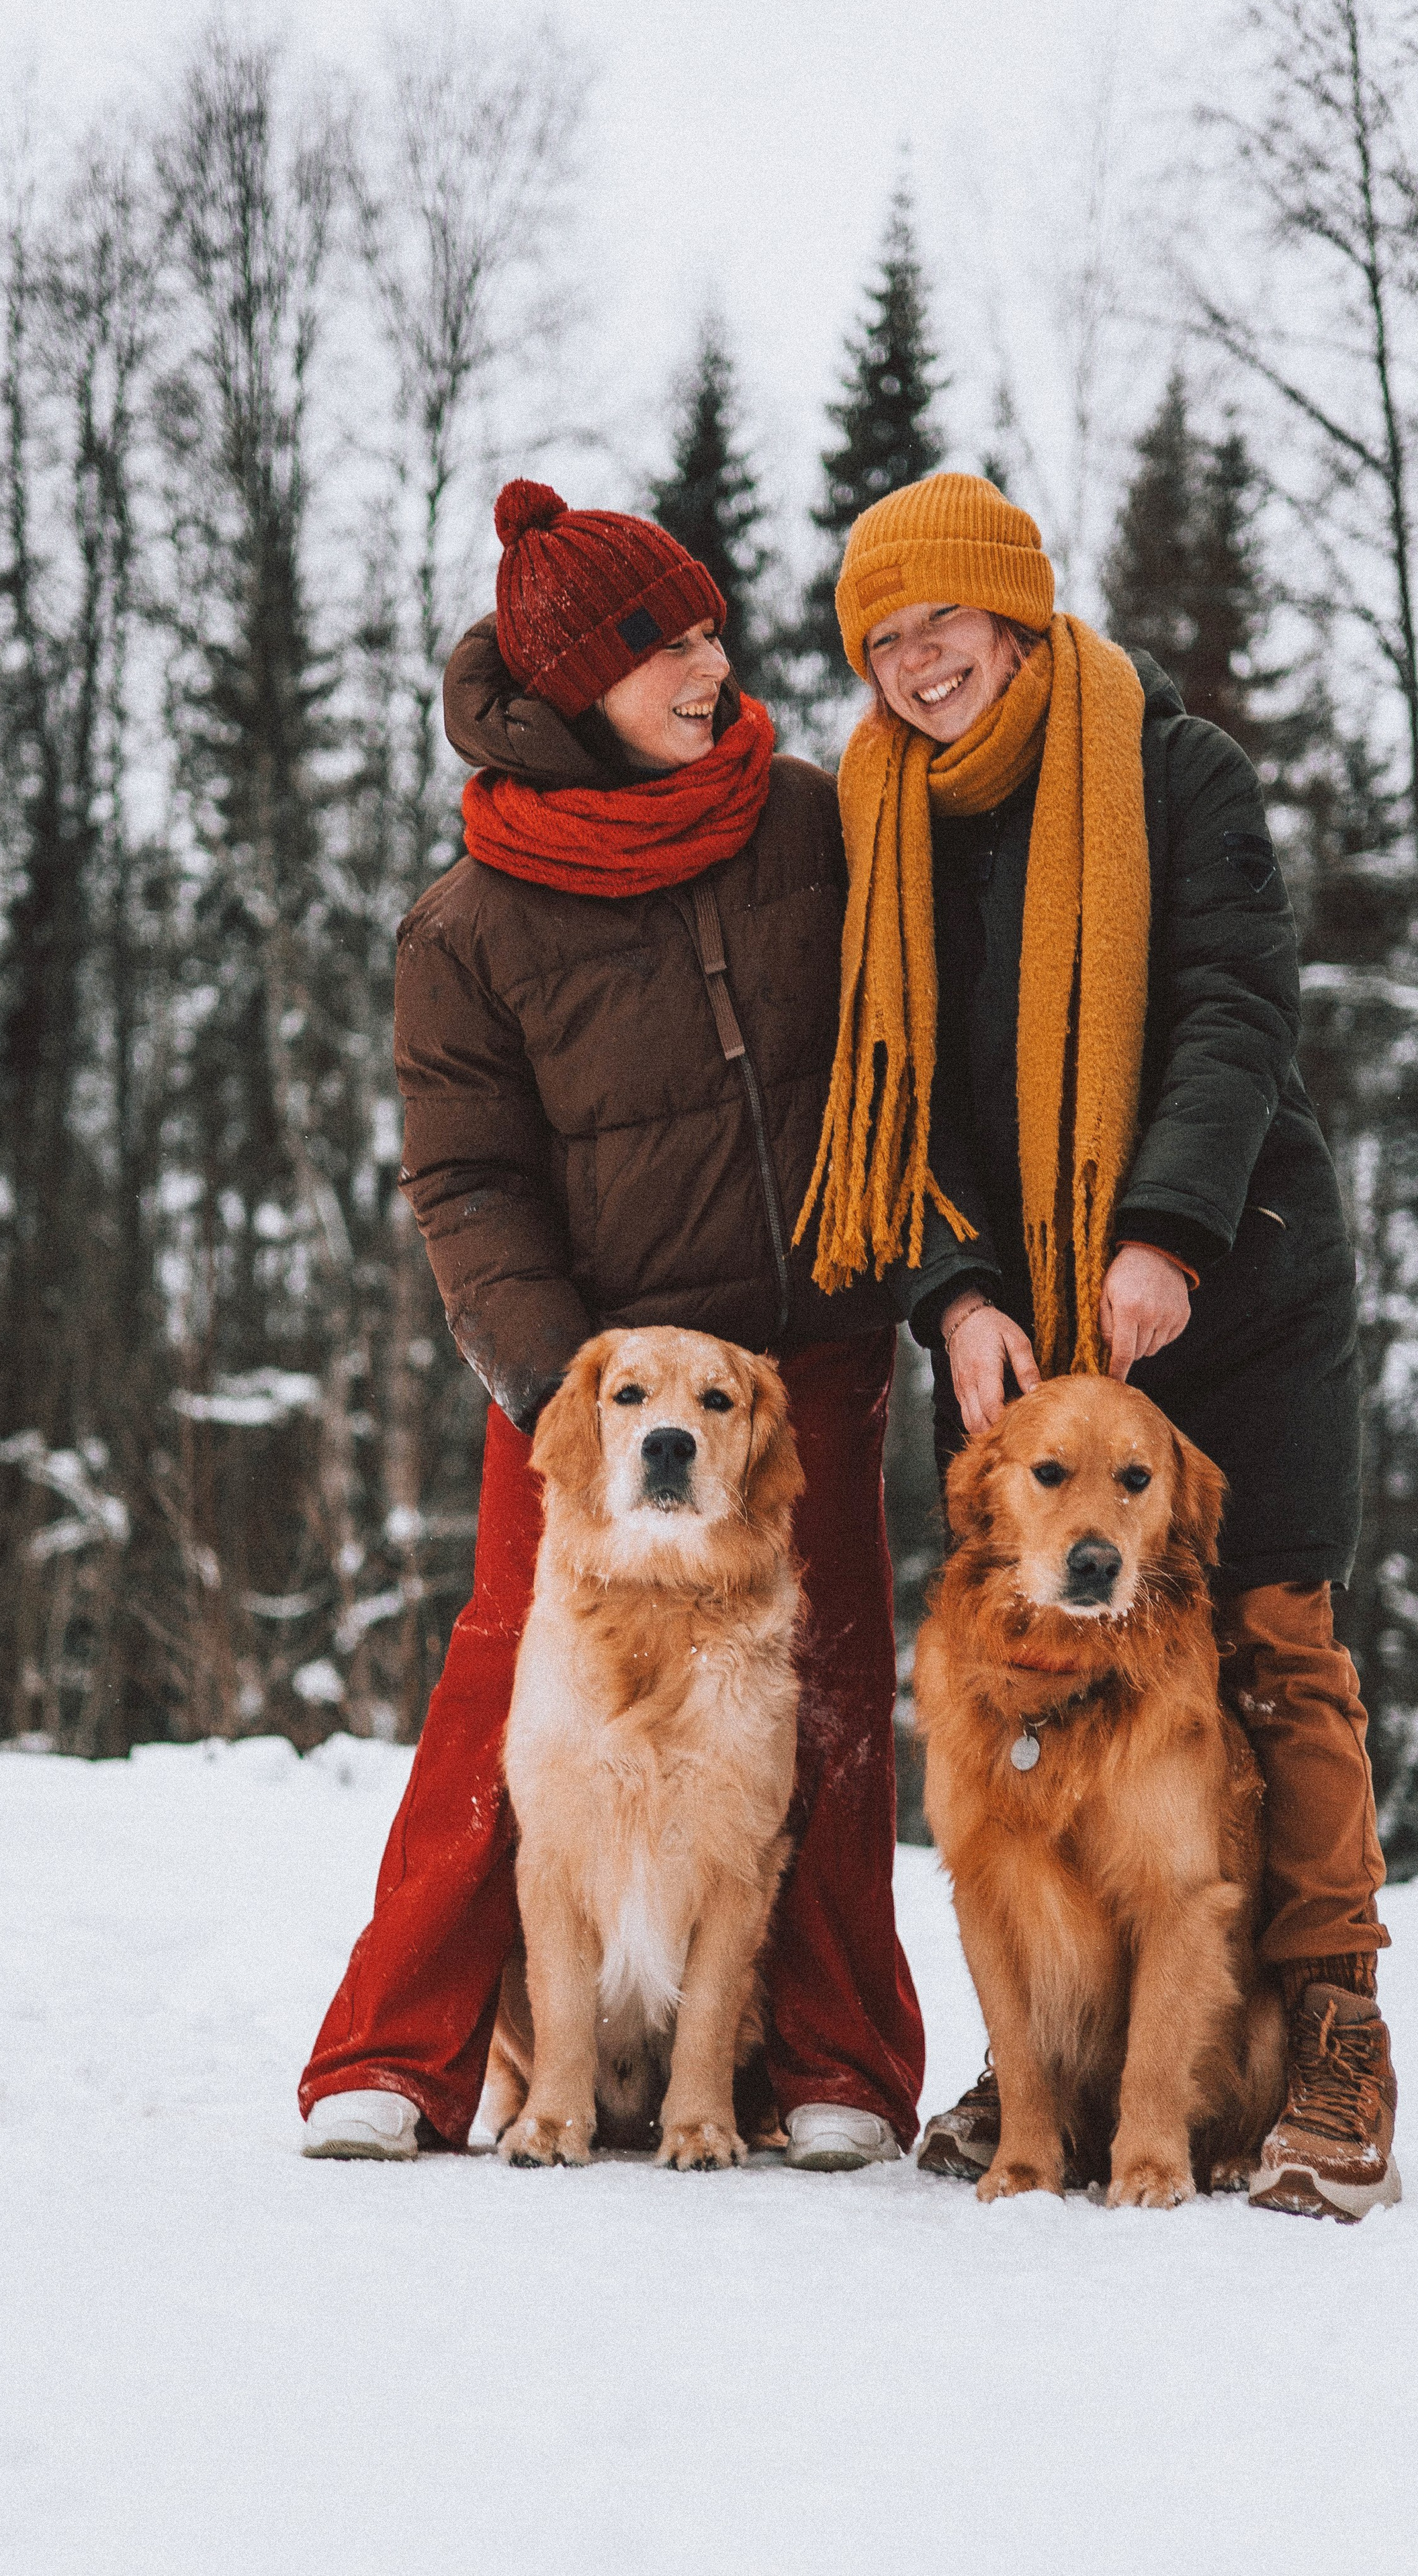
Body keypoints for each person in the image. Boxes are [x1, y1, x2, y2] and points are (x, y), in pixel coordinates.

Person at [796, 470, 1397, 2220]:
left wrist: (1166, 1233)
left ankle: (1333, 2035)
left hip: (1240, 1279)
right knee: (1028, 1685)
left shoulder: (1169, 768)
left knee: (1274, 1653)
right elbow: (888, 1097)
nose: (916, 666)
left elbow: (1237, 1001)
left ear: (1019, 613)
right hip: (1021, 1335)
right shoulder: (879, 821)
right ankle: (1055, 2050)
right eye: (884, 640)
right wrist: (961, 1292)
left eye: (944, 625)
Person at [300, 479, 924, 2168]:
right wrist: (548, 1386)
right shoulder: (471, 919)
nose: (713, 665)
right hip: (590, 1375)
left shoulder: (809, 820)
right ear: (578, 678)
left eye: (714, 628)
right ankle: (400, 2056)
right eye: (671, 644)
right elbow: (468, 1182)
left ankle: (834, 2069)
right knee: (512, 1681)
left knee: (831, 1693)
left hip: (801, 1356)